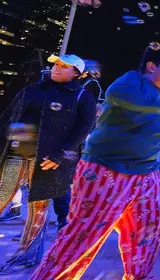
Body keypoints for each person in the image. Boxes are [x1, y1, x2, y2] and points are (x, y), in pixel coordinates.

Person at [30, 45, 160, 280]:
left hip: (147, 176)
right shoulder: (130, 82)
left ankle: (138, 276)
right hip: (106, 171)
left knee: (147, 231)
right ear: (151, 66)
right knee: (83, 235)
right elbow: (122, 98)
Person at [0, 54, 97, 272]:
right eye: (56, 64)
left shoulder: (82, 96)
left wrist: (59, 154)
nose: (57, 68)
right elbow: (7, 117)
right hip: (15, 155)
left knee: (39, 210)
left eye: (64, 66)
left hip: (47, 161)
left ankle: (28, 255)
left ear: (77, 73)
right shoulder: (33, 89)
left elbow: (83, 129)